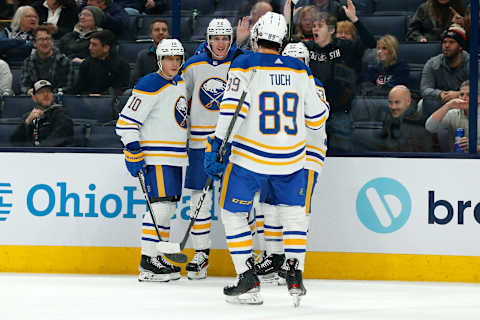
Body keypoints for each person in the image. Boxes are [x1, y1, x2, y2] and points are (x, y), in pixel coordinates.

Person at [204, 12, 328, 305]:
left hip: (251, 156)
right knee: (294, 213)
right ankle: (295, 271)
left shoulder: (245, 63)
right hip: (292, 158)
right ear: (283, 40)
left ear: (257, 36)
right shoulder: (300, 69)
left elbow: (232, 110)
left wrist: (216, 144)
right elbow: (316, 119)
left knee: (233, 213)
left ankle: (247, 277)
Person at [254, 42, 329, 283]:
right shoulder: (276, 83)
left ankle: (293, 263)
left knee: (296, 210)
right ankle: (275, 257)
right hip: (279, 153)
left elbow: (317, 118)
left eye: (299, 62)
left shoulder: (313, 85)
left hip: (307, 155)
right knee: (270, 206)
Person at [115, 39, 188, 282]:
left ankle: (159, 256)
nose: (174, 63)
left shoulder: (179, 82)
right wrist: (133, 149)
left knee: (167, 209)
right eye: (169, 59)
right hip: (157, 156)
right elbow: (126, 122)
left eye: (178, 59)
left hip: (175, 157)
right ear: (160, 60)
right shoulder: (150, 83)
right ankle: (148, 261)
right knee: (160, 208)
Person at [180, 18, 237, 280]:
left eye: (226, 38)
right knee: (198, 200)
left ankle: (245, 258)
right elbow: (181, 101)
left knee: (238, 201)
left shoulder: (240, 64)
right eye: (216, 38)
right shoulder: (193, 66)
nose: (221, 43)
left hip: (231, 143)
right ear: (208, 39)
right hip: (198, 144)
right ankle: (201, 254)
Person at [303, 0, 375, 152]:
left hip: (340, 113)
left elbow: (371, 43)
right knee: (312, 155)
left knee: (342, 155)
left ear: (331, 31)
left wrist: (355, 19)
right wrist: (287, 19)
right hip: (312, 113)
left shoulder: (344, 46)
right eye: (314, 26)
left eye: (319, 26)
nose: (315, 29)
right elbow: (285, 47)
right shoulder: (307, 48)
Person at [420, 25, 470, 117]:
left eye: (452, 42)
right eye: (444, 42)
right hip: (441, 101)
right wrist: (441, 94)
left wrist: (458, 94)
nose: (447, 46)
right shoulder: (433, 63)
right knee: (421, 104)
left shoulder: (472, 64)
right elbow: (424, 89)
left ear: (460, 47)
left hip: (465, 102)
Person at [372, 85, 435, 152]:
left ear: (408, 102)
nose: (393, 107)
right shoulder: (388, 120)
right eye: (390, 103)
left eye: (397, 102)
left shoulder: (420, 125)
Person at [11, 79, 73, 147]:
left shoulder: (62, 114)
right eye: (41, 92)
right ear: (34, 98)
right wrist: (27, 122)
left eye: (48, 92)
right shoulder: (28, 116)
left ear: (52, 96)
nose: (46, 94)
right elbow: (15, 142)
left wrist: (37, 151)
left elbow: (59, 138)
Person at [425, 80, 480, 152]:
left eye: (469, 95)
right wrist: (448, 105)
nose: (464, 98)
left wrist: (475, 147)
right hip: (457, 158)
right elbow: (430, 127)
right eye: (461, 94)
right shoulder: (453, 113)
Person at [20, 25, 74, 95]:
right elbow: (24, 85)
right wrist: (28, 91)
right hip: (34, 99)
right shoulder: (28, 61)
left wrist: (47, 93)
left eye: (48, 39)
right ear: (35, 43)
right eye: (41, 39)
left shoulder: (64, 61)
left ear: (52, 41)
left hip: (58, 100)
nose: (45, 43)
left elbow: (68, 87)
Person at [75, 30, 130, 95]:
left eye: (94, 45)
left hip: (109, 102)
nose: (90, 48)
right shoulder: (86, 64)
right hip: (86, 101)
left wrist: (102, 95)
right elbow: (79, 89)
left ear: (106, 48)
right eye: (90, 44)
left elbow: (120, 89)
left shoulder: (121, 66)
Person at [132, 19, 169, 85]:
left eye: (164, 30)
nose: (161, 32)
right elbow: (136, 79)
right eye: (157, 30)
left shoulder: (179, 55)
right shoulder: (143, 55)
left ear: (168, 34)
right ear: (151, 34)